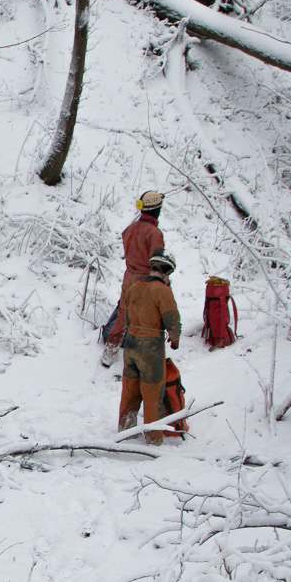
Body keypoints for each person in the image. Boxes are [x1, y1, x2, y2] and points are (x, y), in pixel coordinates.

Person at [117, 248, 182, 445]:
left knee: (130, 390)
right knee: (153, 393)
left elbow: (127, 317)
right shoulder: (163, 291)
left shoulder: (135, 287)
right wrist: (175, 339)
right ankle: (153, 439)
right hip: (151, 347)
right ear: (166, 272)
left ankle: (125, 432)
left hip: (131, 344)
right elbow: (172, 318)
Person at [102, 190, 166, 367]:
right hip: (146, 280)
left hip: (129, 277)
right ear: (156, 209)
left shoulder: (130, 229)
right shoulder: (154, 233)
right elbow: (157, 262)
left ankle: (110, 351)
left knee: (123, 314)